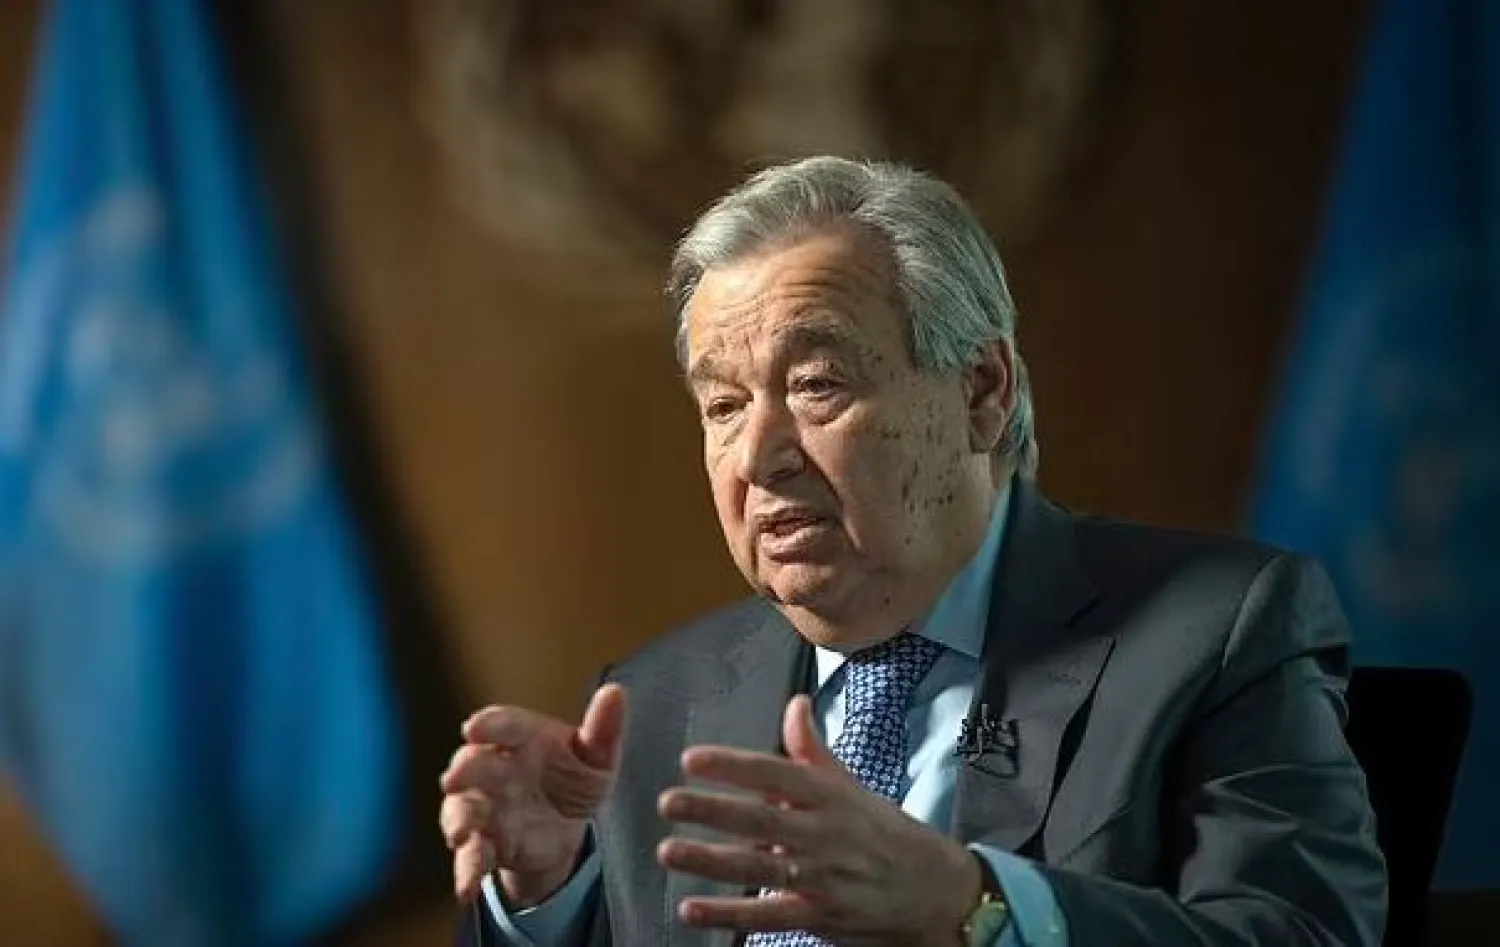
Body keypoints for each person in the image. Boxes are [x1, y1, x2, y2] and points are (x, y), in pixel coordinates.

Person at [439, 156, 1387, 947]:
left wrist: (968, 905)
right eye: (723, 406)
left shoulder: (1214, 633)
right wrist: (546, 890)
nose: (760, 457)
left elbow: (1303, 934)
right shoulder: (650, 704)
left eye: (816, 384)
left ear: (980, 388)